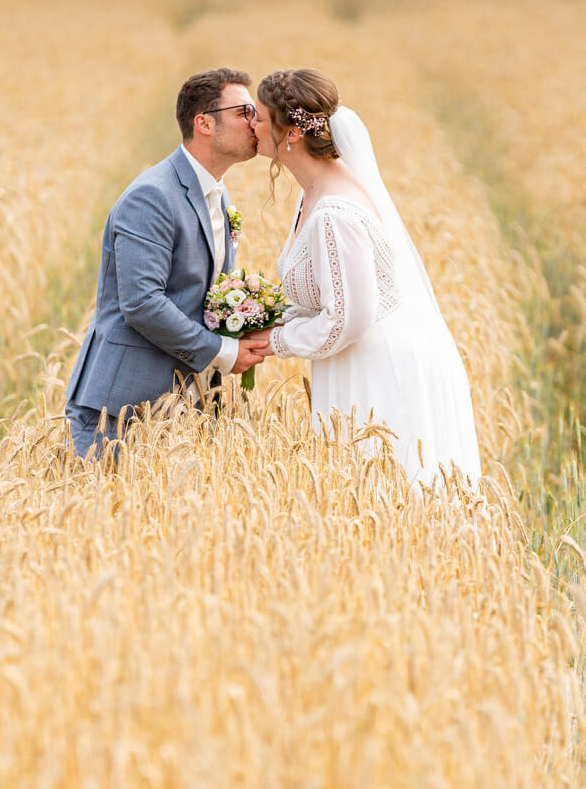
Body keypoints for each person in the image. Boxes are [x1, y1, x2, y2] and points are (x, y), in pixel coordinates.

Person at [250, 69, 481, 486]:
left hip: (379, 370)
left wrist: (275, 342)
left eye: (260, 118)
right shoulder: (313, 192)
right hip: (352, 359)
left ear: (291, 134)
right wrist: (257, 316)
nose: (251, 124)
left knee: (389, 492)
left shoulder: (334, 213)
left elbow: (347, 319)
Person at [64, 68, 273, 456]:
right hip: (122, 407)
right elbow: (142, 302)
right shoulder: (153, 195)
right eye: (244, 111)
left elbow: (199, 298)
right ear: (204, 123)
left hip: (184, 407)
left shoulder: (219, 198)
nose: (256, 121)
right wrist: (224, 353)